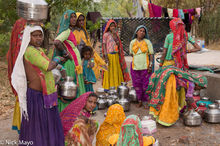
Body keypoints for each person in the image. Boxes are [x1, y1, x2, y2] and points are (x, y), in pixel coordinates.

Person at [11, 25, 65, 145]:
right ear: (28, 37)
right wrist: (57, 59)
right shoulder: (30, 51)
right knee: (37, 128)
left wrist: (59, 65)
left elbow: (46, 64)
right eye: (35, 35)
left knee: (45, 126)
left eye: (40, 35)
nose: (38, 38)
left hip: (44, 95)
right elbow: (48, 66)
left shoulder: (38, 50)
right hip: (36, 97)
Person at [54, 10, 86, 112]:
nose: (74, 19)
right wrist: (67, 54)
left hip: (75, 64)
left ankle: (74, 110)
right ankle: (68, 111)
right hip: (70, 65)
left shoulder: (69, 31)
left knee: (73, 88)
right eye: (71, 17)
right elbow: (57, 42)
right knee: (70, 88)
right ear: (67, 19)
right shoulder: (66, 32)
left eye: (74, 17)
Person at [73, 12, 107, 79]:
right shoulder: (72, 32)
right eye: (79, 20)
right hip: (76, 59)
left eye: (83, 20)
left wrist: (91, 60)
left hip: (85, 58)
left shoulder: (84, 32)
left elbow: (89, 48)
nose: (81, 22)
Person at [7, 18, 27, 133]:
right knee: (22, 96)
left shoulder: (36, 21)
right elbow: (16, 48)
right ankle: (23, 128)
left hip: (31, 63)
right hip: (20, 66)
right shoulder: (20, 23)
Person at [130, 25, 154, 108]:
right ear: (136, 32)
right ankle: (139, 100)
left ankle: (145, 101)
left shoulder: (147, 42)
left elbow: (151, 54)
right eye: (140, 30)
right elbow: (131, 54)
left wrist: (150, 65)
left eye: (144, 31)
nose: (142, 32)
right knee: (137, 84)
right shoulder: (132, 42)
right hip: (135, 67)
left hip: (145, 67)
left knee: (146, 85)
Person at [102, 20, 130, 90]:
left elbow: (118, 44)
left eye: (114, 26)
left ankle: (117, 86)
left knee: (116, 71)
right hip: (109, 55)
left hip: (116, 55)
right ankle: (108, 87)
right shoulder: (106, 35)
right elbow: (104, 45)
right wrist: (105, 55)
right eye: (111, 26)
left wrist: (115, 35)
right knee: (109, 71)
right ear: (108, 27)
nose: (113, 27)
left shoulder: (116, 35)